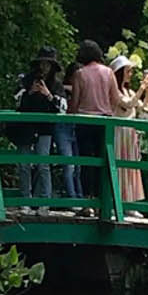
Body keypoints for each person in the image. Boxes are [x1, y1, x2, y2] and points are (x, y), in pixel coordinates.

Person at [68, 41, 118, 204]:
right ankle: (101, 201)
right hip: (104, 121)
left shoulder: (80, 74)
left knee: (85, 162)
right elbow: (115, 99)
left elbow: (74, 102)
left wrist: (70, 115)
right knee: (103, 161)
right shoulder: (109, 73)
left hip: (85, 121)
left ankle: (87, 202)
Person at [110, 56, 148, 208]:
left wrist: (147, 91)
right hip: (119, 133)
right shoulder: (115, 90)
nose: (130, 74)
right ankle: (118, 202)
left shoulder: (128, 91)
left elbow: (143, 107)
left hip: (130, 134)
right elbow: (128, 104)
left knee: (131, 168)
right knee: (120, 168)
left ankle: (130, 203)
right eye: (128, 71)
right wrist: (142, 88)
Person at [16, 56, 61, 208]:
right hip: (26, 128)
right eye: (42, 63)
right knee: (24, 165)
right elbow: (17, 105)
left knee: (43, 165)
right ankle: (25, 200)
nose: (44, 67)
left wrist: (48, 94)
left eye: (48, 64)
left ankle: (44, 202)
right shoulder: (26, 81)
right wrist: (30, 92)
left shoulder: (56, 85)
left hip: (45, 129)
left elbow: (61, 109)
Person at [56, 63, 83, 202]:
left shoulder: (82, 90)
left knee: (78, 166)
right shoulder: (62, 89)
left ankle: (79, 195)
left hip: (76, 128)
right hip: (63, 127)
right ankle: (72, 198)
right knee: (69, 165)